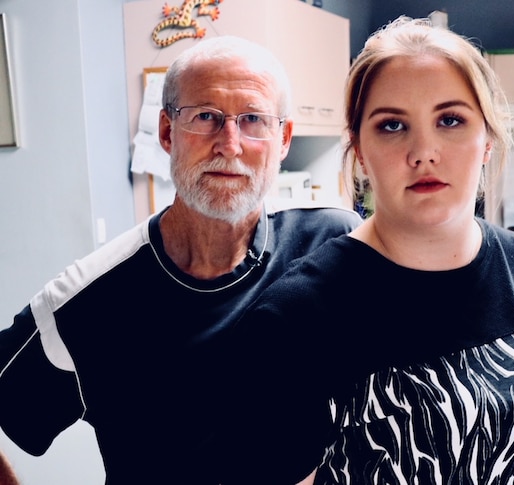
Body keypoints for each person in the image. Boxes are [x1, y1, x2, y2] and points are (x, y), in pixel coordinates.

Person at [0, 35, 360, 484]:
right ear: (167, 132)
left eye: (253, 120)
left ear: (282, 139)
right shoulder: (88, 302)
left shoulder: (335, 244)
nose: (230, 144)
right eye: (206, 117)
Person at [234, 16, 514, 484]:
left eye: (451, 120)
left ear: (488, 141)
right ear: (358, 147)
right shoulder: (294, 320)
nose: (424, 151)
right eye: (393, 125)